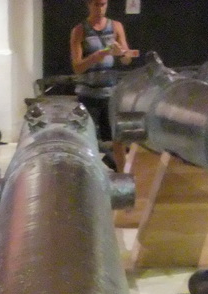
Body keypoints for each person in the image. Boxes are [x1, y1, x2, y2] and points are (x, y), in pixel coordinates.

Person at [70, 0, 138, 170]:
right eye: (96, 5)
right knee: (87, 138)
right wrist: (99, 54)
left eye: (103, 4)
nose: (100, 8)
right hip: (88, 93)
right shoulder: (80, 30)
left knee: (118, 137)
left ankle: (122, 176)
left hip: (110, 92)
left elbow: (127, 59)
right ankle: (88, 174)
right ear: (88, 5)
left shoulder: (116, 26)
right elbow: (77, 67)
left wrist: (121, 53)